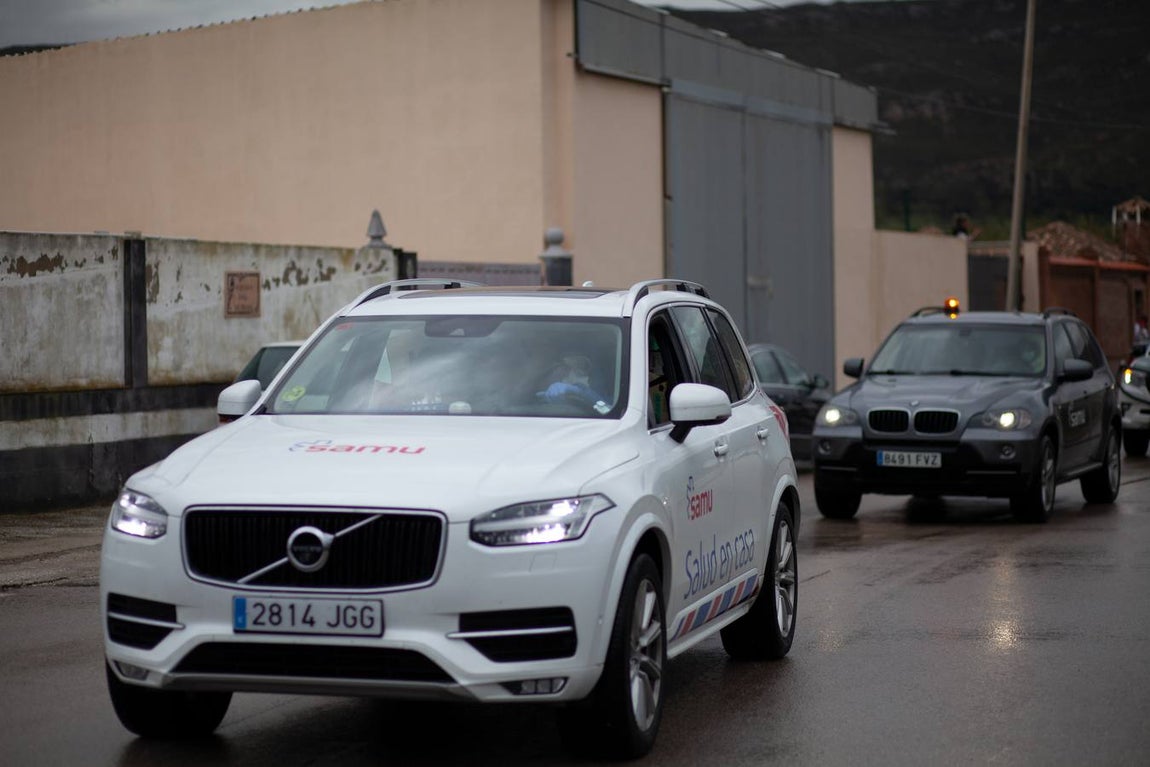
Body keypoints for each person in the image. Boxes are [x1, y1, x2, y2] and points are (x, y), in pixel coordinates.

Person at [540, 354, 606, 407]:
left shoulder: (612, 401)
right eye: (566, 368)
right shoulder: (535, 402)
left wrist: (579, 392)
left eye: (583, 368)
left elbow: (605, 410)